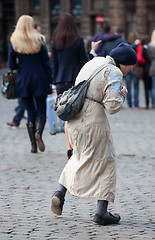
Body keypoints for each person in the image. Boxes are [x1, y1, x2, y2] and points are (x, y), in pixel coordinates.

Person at [51, 42, 137, 226]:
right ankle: (101, 213)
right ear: (124, 63)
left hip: (74, 119)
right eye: (130, 68)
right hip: (92, 121)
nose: (129, 72)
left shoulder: (94, 62)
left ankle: (59, 193)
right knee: (107, 161)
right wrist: (122, 94)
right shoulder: (114, 72)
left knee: (78, 155)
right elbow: (113, 106)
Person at [51, 12, 100, 159]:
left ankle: (69, 147)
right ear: (73, 25)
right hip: (76, 83)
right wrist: (93, 51)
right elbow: (85, 63)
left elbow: (54, 64)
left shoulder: (55, 42)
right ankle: (78, 146)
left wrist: (53, 84)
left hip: (60, 82)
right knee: (78, 116)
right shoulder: (78, 41)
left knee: (67, 118)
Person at [8, 15, 52, 153]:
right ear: (32, 25)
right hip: (40, 78)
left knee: (30, 112)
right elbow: (46, 62)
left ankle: (33, 145)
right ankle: (39, 132)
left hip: (23, 79)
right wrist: (51, 79)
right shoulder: (40, 39)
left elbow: (11, 64)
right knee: (41, 111)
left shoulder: (14, 41)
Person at [125, 32, 145, 108]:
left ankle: (129, 104)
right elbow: (139, 58)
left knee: (128, 86)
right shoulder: (139, 47)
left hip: (127, 67)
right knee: (136, 87)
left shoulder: (126, 46)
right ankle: (136, 104)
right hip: (135, 67)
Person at [142, 35, 152, 109]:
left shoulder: (142, 49)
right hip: (152, 69)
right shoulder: (152, 48)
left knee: (146, 88)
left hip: (145, 69)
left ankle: (147, 104)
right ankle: (154, 103)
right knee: (152, 87)